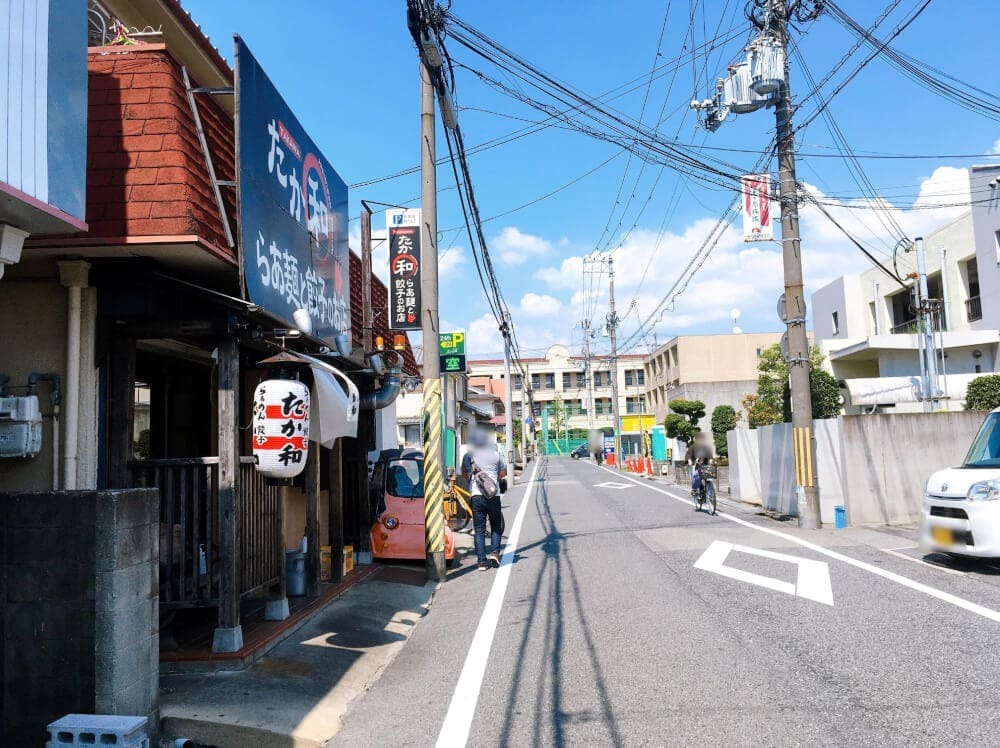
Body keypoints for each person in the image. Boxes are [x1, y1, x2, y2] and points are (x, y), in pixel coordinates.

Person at [461, 428, 507, 571]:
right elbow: (503, 473)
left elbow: (464, 473)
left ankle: (481, 562)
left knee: (479, 530)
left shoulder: (469, 455)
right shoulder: (496, 455)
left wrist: (475, 480)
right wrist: (491, 479)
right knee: (496, 526)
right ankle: (494, 554)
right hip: (493, 495)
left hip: (476, 495)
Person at [685, 432, 714, 498]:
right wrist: (689, 461)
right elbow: (688, 454)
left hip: (705, 465)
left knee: (710, 477)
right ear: (696, 439)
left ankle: (710, 495)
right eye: (699, 439)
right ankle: (695, 489)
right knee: (697, 477)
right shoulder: (693, 447)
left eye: (702, 439)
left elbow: (710, 455)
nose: (701, 440)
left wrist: (710, 460)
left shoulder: (706, 447)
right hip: (697, 466)